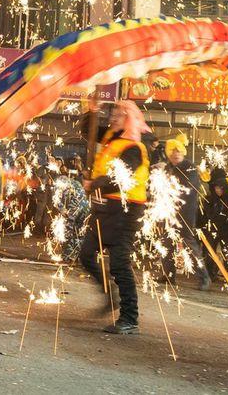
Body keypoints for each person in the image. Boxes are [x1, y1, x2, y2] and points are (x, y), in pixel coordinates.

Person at [79, 100, 151, 335]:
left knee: (119, 263)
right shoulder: (112, 139)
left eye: (119, 115)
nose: (113, 118)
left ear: (129, 119)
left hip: (126, 211)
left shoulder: (134, 148)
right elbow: (87, 132)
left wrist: (94, 183)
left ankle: (130, 317)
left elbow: (121, 176)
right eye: (113, 114)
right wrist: (91, 110)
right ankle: (110, 295)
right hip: (104, 208)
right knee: (87, 254)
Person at [159, 134, 211, 290]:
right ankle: (168, 275)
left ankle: (204, 278)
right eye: (172, 152)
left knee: (189, 245)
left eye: (178, 151)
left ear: (182, 152)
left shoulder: (189, 167)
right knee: (166, 243)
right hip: (169, 211)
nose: (175, 154)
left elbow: (188, 189)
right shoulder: (168, 167)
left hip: (185, 212)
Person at [204, 168, 228, 278]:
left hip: (225, 229)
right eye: (216, 188)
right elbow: (208, 212)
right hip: (213, 228)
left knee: (225, 251)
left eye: (219, 188)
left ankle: (227, 274)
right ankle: (210, 273)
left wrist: (222, 216)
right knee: (211, 251)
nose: (217, 190)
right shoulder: (212, 199)